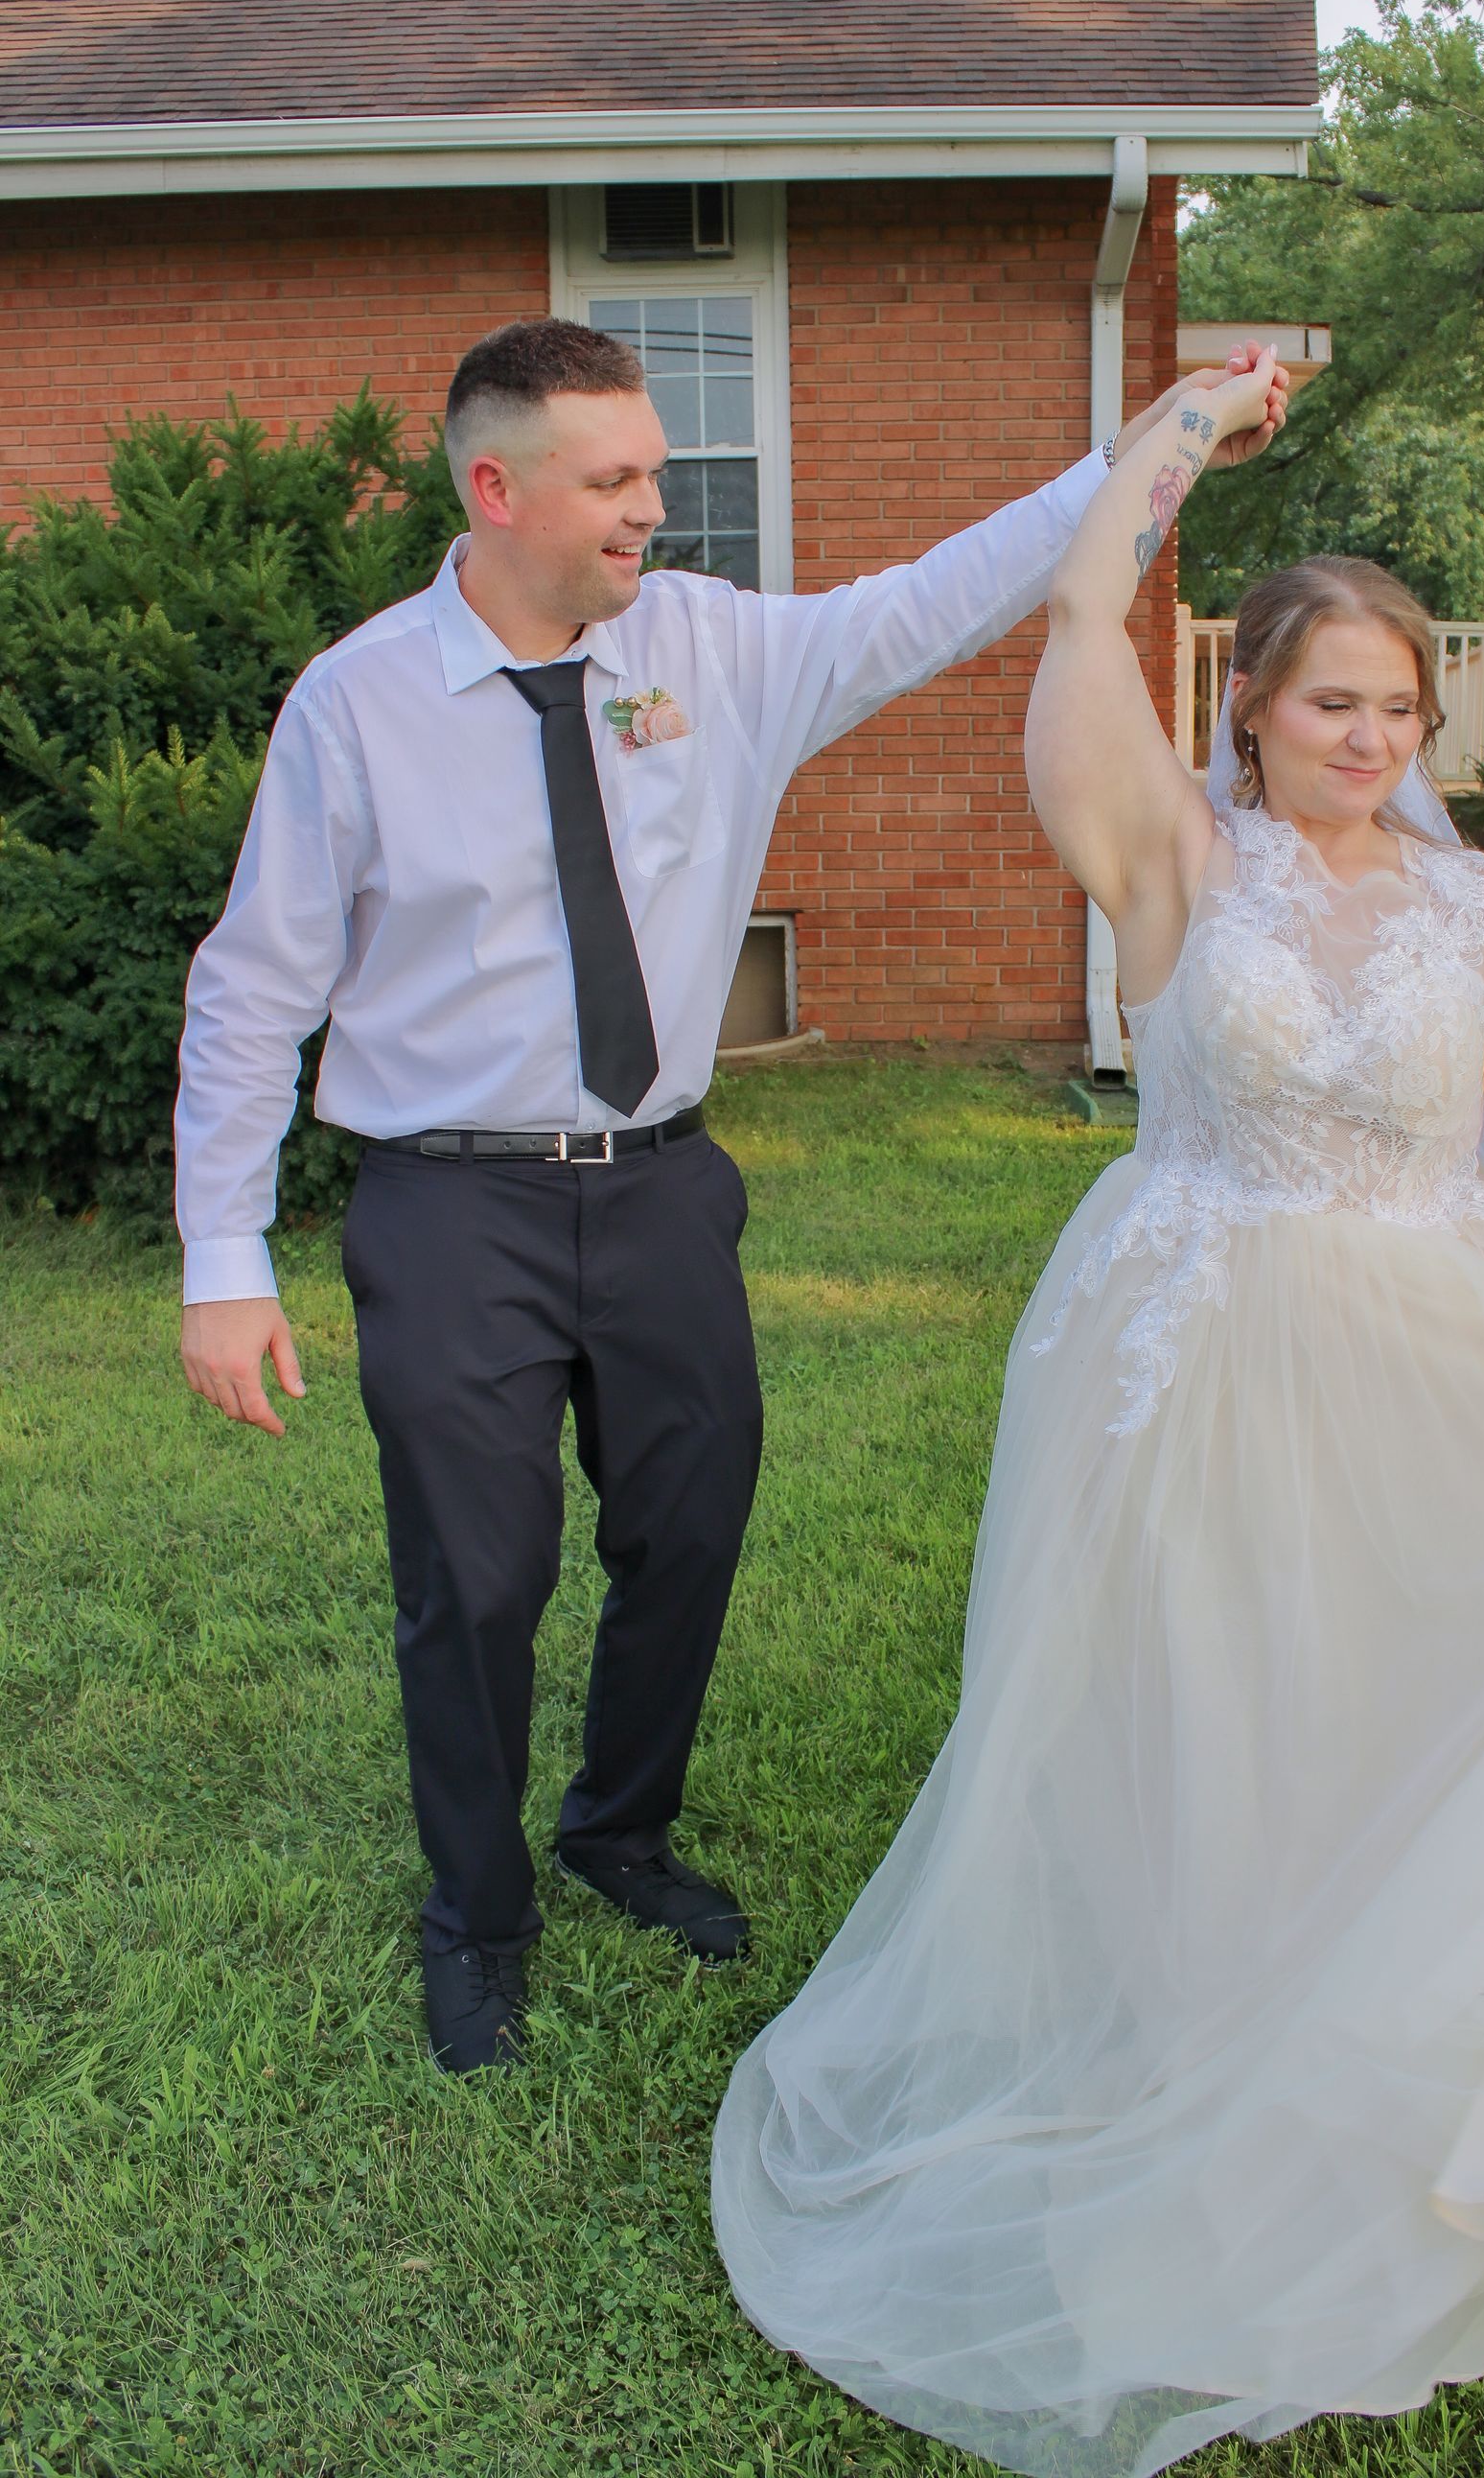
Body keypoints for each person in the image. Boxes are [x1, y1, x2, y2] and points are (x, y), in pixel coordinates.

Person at [711, 365, 1484, 2472]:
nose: (1374, 740)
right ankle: (1204, 2056)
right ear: (1251, 711)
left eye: (1401, 712)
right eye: (1336, 704)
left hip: (1439, 1335)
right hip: (1204, 1333)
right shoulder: (1170, 860)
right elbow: (1068, 631)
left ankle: (1402, 2064)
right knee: (1214, 1700)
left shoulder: (1477, 908)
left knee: (1397, 1693)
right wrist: (1175, 435)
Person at [174, 316, 1289, 2075]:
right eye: (612, 481)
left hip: (666, 1189)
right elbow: (253, 986)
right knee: (473, 1581)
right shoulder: (360, 702)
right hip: (450, 1200)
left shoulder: (717, 649)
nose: (650, 509)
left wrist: (1156, 443)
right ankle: (474, 1917)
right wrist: (223, 1258)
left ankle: (619, 1829)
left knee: (688, 1530)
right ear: (496, 487)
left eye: (657, 474)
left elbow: (943, 593)